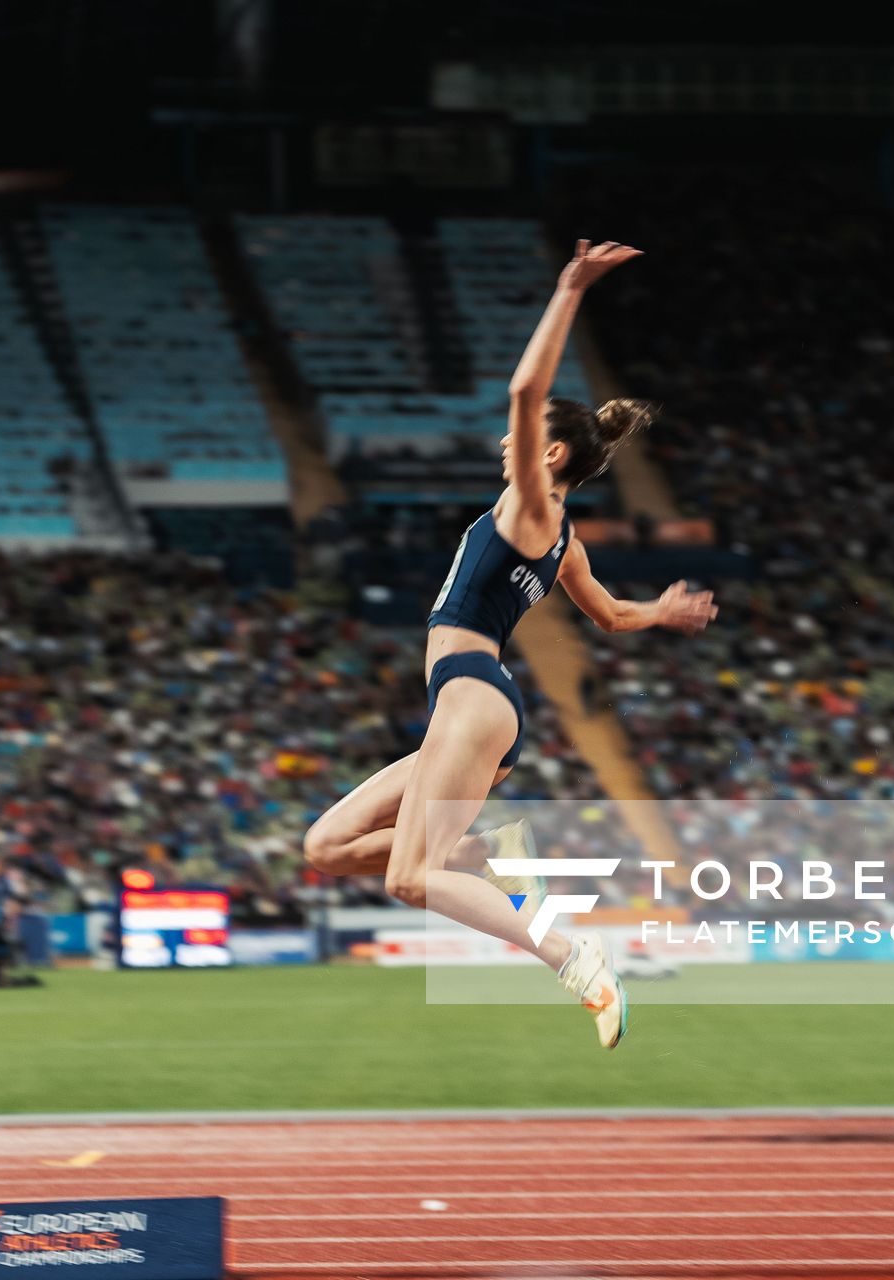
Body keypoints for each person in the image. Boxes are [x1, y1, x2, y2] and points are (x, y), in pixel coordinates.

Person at [303, 241, 717, 1049]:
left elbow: (527, 389)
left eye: (521, 443)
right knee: (326, 847)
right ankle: (492, 850)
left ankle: (574, 957)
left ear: (551, 455)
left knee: (410, 876)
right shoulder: (565, 543)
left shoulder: (534, 508)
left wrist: (568, 289)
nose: (506, 446)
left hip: (473, 696)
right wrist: (659, 611)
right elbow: (609, 619)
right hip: (464, 705)